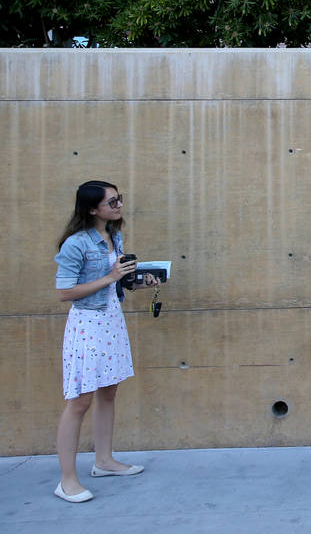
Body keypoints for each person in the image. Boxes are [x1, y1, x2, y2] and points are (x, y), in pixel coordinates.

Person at [53, 180, 158, 503]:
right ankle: (67, 480)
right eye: (111, 202)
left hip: (112, 320)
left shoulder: (114, 236)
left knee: (109, 391)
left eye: (119, 199)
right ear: (91, 208)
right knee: (80, 401)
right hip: (87, 324)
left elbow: (115, 283)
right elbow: (64, 292)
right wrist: (111, 276)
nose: (118, 205)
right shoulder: (75, 244)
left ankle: (104, 460)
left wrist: (138, 281)